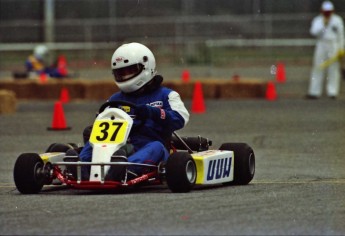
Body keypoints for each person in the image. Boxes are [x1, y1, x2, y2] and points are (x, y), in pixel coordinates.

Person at [79, 42, 190, 179]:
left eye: (129, 71)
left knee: (156, 147)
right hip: (117, 147)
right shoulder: (114, 100)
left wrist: (153, 112)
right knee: (93, 143)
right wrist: (94, 129)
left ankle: (125, 169)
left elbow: (180, 118)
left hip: (149, 145)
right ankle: (81, 168)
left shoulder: (166, 96)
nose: (125, 76)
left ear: (146, 67)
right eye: (121, 73)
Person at [307, 1, 345, 99]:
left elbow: (341, 36)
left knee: (333, 69)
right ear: (322, 11)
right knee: (317, 68)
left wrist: (341, 49)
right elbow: (314, 32)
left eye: (329, 11)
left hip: (333, 45)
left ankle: (332, 92)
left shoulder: (337, 20)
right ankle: (314, 92)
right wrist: (324, 25)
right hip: (321, 44)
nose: (327, 13)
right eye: (325, 11)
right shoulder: (318, 20)